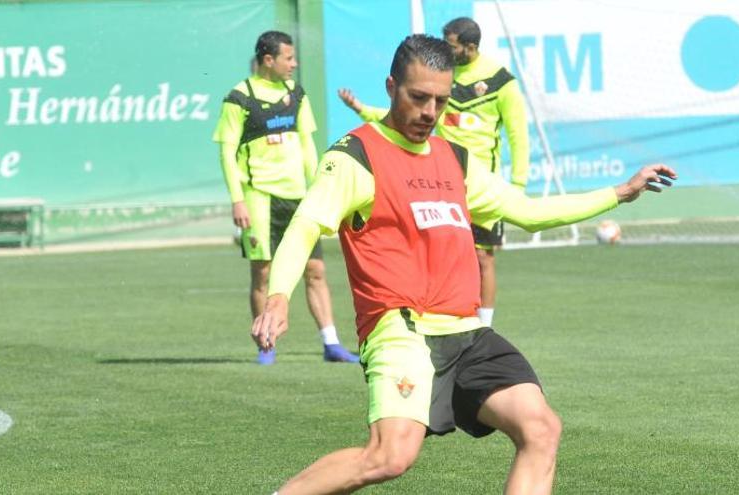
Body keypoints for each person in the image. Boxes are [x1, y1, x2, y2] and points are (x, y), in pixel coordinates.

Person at [253, 34, 676, 494]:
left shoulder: (454, 159)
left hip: (466, 333)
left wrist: (619, 193)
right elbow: (305, 227)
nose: (430, 113)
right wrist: (278, 297)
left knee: (541, 429)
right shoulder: (355, 157)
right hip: (401, 330)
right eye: (418, 97)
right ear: (391, 86)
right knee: (390, 456)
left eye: (440, 100)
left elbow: (529, 213)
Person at [338, 16, 529, 328]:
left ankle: (484, 324)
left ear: (470, 47)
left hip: (482, 183)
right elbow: (402, 114)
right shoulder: (439, 78)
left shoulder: (500, 81)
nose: (432, 107)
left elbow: (518, 135)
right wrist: (361, 109)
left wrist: (517, 185)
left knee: (482, 258)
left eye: (453, 46)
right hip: (441, 178)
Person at [212, 30, 358, 364]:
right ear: (268, 60)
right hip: (259, 197)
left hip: (299, 198)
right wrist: (237, 199)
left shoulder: (296, 93)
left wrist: (319, 186)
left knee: (316, 269)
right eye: (288, 58)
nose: (294, 64)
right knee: (262, 272)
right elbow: (227, 153)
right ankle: (267, 345)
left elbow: (307, 145)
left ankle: (331, 343)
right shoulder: (240, 97)